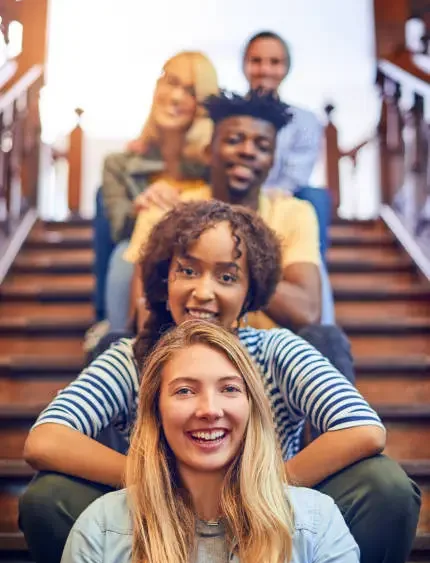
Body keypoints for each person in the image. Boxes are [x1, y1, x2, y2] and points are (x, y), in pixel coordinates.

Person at [20, 201, 419, 563]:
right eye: (187, 271)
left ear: (250, 293)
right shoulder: (130, 358)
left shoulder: (276, 349)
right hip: (161, 524)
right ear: (164, 278)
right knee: (47, 497)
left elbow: (364, 429)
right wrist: (153, 480)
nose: (203, 291)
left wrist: (261, 483)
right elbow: (45, 439)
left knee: (385, 486)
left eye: (227, 276)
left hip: (271, 520)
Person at [53, 320, 369, 563]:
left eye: (229, 389)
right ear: (156, 411)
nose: (209, 410)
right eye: (185, 391)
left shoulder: (317, 522)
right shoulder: (99, 527)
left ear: (252, 407)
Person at [124, 90, 347, 376]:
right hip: (181, 356)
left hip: (266, 362)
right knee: (114, 342)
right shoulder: (165, 210)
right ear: (208, 151)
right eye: (234, 140)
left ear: (271, 161)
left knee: (327, 340)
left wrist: (240, 260)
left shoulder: (294, 213)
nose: (248, 151)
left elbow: (306, 313)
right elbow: (146, 312)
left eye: (262, 146)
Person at [94, 51, 218, 329]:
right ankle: (118, 342)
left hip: (202, 260)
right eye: (170, 82)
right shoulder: (120, 164)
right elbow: (118, 228)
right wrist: (140, 207)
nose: (175, 97)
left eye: (190, 91)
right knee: (125, 252)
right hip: (142, 260)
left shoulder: (216, 163)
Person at [242, 30, 334, 321]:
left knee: (315, 198)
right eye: (256, 61)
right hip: (235, 194)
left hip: (281, 197)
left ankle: (313, 293)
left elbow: (296, 175)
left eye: (274, 62)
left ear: (286, 68)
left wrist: (268, 202)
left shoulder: (304, 120)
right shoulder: (226, 114)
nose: (265, 70)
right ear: (245, 65)